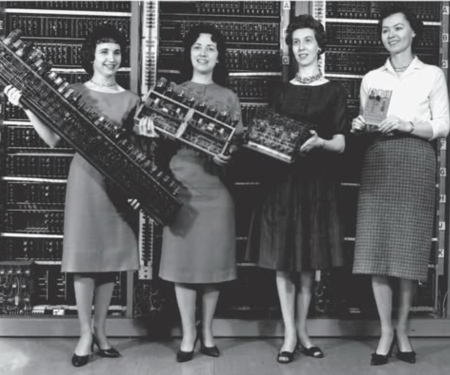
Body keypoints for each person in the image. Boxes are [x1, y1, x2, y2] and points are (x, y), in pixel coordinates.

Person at [4, 24, 140, 367]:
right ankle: (84, 334)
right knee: (84, 260)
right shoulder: (74, 92)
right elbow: (52, 140)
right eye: (104, 51)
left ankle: (101, 331)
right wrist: (27, 106)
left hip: (117, 186)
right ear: (92, 56)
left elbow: (137, 152)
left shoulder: (131, 99)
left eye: (116, 52)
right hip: (85, 182)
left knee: (110, 261)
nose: (111, 58)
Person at [245, 14, 348, 364]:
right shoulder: (279, 90)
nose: (301, 48)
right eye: (295, 42)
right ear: (290, 48)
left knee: (308, 264)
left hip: (316, 185)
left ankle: (303, 332)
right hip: (281, 182)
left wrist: (320, 142)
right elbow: (263, 138)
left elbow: (341, 143)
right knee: (283, 261)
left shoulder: (335, 90)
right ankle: (289, 334)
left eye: (307, 41)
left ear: (320, 46)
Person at [137, 24, 242, 362]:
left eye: (210, 48)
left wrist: (227, 155)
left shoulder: (229, 97)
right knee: (183, 267)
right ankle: (189, 334)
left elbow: (235, 147)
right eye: (197, 46)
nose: (203, 52)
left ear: (218, 56)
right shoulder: (172, 93)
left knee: (212, 268)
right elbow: (154, 142)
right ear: (189, 53)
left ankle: (208, 331)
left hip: (216, 190)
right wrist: (148, 132)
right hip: (179, 189)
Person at [351, 5, 450, 366]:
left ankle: (404, 330)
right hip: (379, 160)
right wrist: (362, 124)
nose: (390, 35)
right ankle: (386, 332)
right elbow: (371, 121)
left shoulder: (432, 75)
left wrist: (408, 125)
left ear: (413, 32)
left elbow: (443, 124)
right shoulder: (371, 77)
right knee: (377, 251)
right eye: (384, 30)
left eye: (397, 28)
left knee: (407, 255)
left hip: (415, 160)